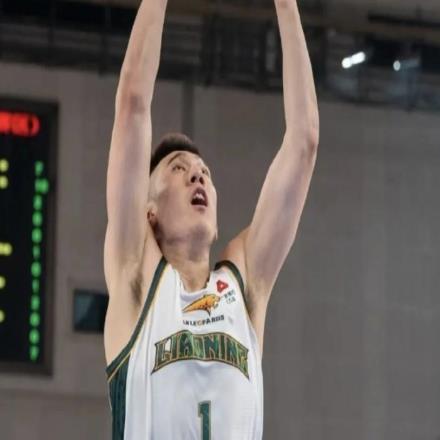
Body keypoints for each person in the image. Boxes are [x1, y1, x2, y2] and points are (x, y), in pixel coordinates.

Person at [103, 0, 319, 438]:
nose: (197, 175)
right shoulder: (136, 275)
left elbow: (304, 141)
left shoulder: (244, 285)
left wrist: (286, 5)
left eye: (204, 172)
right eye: (178, 169)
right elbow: (132, 104)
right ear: (149, 211)